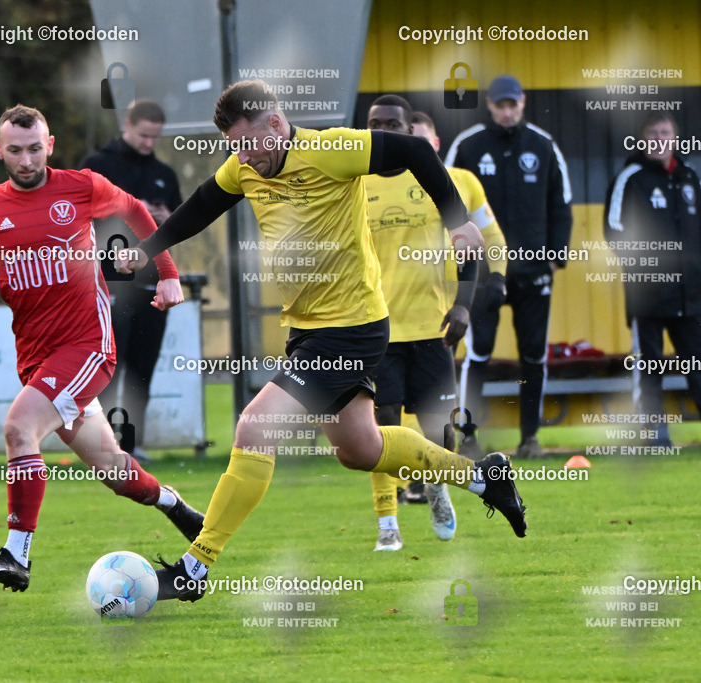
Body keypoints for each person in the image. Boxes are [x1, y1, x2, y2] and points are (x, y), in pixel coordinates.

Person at [117, 80, 527, 603]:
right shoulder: (244, 166)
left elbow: (416, 150)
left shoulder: (331, 149)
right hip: (308, 327)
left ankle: (195, 568)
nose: (244, 158)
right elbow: (201, 207)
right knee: (361, 450)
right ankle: (484, 477)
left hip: (352, 326)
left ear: (275, 123)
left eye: (251, 143)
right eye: (234, 148)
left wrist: (456, 221)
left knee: (255, 425)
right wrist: (148, 250)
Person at [0, 105, 204, 592]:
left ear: (49, 145)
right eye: (14, 150)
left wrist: (168, 274)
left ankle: (16, 555)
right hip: (36, 356)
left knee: (18, 429)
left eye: (34, 149)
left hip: (86, 345)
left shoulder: (81, 186)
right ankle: (181, 510)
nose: (25, 161)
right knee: (112, 468)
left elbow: (136, 210)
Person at [364, 99, 507, 552]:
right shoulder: (354, 182)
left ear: (409, 131)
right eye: (375, 125)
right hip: (374, 326)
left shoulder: (435, 181)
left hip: (431, 324)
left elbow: (470, 243)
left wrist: (465, 306)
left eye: (393, 125)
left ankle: (437, 488)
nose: (384, 131)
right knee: (380, 426)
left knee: (438, 430)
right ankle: (388, 522)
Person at [445, 75, 573, 459]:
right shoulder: (467, 147)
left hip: (533, 271)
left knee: (533, 354)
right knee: (479, 353)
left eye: (512, 104)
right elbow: (446, 199)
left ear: (522, 102)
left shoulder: (543, 145)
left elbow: (561, 204)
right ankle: (468, 436)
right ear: (489, 104)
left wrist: (556, 255)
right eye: (500, 105)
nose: (506, 111)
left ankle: (530, 438)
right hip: (484, 274)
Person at [603, 112, 701, 447]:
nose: (659, 138)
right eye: (652, 133)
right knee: (649, 369)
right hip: (647, 299)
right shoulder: (630, 179)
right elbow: (614, 232)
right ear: (643, 139)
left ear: (675, 138)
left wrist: (699, 272)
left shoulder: (691, 179)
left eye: (665, 132)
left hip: (690, 297)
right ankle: (655, 435)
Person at [79, 100, 183, 461]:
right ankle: (100, 444)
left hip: (151, 285)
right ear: (127, 124)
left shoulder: (164, 174)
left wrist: (165, 216)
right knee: (108, 365)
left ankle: (131, 444)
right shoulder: (98, 166)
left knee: (142, 365)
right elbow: (78, 219)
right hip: (109, 283)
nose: (147, 143)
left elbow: (178, 227)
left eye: (154, 137)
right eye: (142, 135)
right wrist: (132, 208)